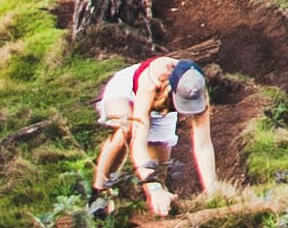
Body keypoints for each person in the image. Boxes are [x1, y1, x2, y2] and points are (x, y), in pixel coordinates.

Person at [91, 50, 229, 217]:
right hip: (129, 93)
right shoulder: (151, 82)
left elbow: (203, 146)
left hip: (162, 109)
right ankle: (98, 194)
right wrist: (153, 186)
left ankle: (157, 210)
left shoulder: (197, 91)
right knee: (125, 130)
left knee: (158, 169)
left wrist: (212, 188)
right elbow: (138, 144)